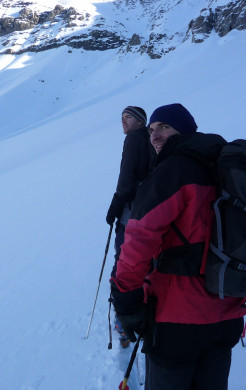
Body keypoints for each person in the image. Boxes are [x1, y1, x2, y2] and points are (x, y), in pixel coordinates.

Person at [110, 103, 246, 389]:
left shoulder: (172, 171)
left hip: (178, 320)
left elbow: (139, 239)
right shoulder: (225, 169)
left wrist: (125, 299)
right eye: (152, 129)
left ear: (184, 130)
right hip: (227, 315)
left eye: (165, 127)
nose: (155, 136)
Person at [106, 105, 154, 347]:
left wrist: (115, 205)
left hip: (130, 213)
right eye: (122, 118)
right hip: (150, 211)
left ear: (140, 122)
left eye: (128, 118)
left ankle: (123, 318)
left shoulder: (134, 139)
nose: (123, 122)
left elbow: (126, 177)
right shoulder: (152, 140)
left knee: (123, 260)